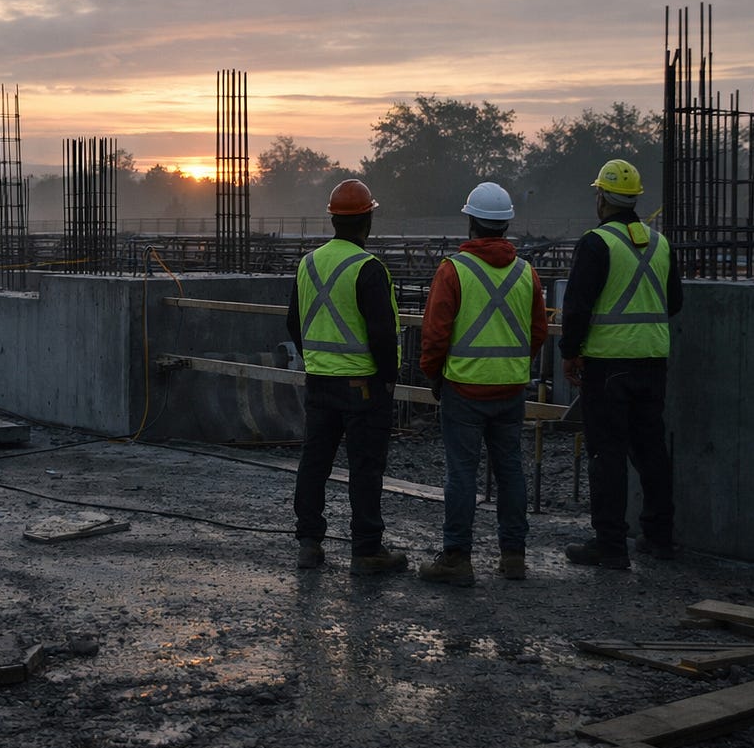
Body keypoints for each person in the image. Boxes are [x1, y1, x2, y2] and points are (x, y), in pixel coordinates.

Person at [417, 182, 547, 586]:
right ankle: (513, 557)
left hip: (464, 390)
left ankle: (457, 557)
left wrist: (434, 375)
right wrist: (511, 366)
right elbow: (538, 331)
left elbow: (435, 334)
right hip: (510, 391)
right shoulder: (527, 273)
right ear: (506, 225)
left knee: (462, 474)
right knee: (511, 472)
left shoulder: (453, 270)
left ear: (471, 221)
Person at [560, 159, 684, 570]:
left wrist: (570, 352)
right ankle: (659, 537)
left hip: (608, 365)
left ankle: (610, 544)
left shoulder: (597, 243)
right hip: (653, 360)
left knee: (607, 453)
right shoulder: (660, 243)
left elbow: (576, 307)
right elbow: (675, 302)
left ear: (602, 198)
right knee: (651, 450)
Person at [286, 178, 406, 575]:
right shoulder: (368, 269)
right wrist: (389, 379)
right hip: (363, 387)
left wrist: (316, 360)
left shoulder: (308, 263)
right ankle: (367, 550)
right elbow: (383, 335)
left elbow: (293, 323)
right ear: (367, 220)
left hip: (320, 383)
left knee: (314, 462)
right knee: (365, 469)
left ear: (333, 219)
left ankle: (309, 543)